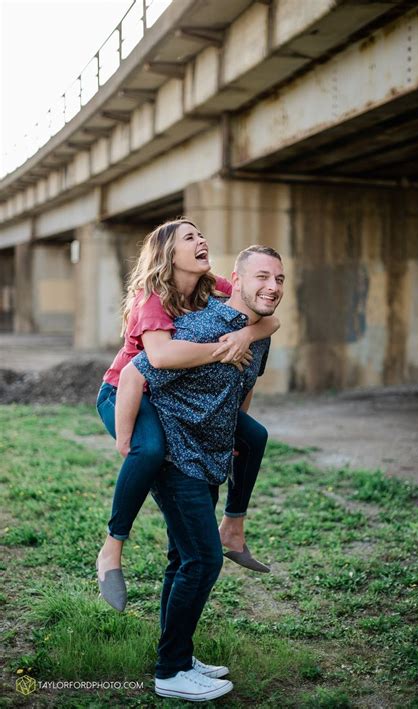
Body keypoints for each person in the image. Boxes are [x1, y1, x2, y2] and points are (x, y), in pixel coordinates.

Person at [119, 245, 285, 701]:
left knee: (183, 558)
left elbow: (242, 391)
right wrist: (128, 444)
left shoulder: (257, 332)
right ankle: (170, 672)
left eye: (280, 279)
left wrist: (228, 441)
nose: (273, 287)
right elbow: (137, 372)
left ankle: (178, 654)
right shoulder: (199, 325)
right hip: (174, 459)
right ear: (238, 278)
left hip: (208, 456)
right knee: (204, 559)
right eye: (262, 277)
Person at [96, 219, 279, 612]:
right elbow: (158, 359)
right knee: (148, 451)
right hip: (125, 393)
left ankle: (234, 526)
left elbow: (266, 317)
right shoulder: (151, 297)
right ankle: (112, 549)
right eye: (190, 238)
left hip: (166, 394)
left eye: (201, 234)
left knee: (253, 436)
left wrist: (244, 336)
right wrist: (224, 347)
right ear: (169, 254)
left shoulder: (211, 285)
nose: (202, 240)